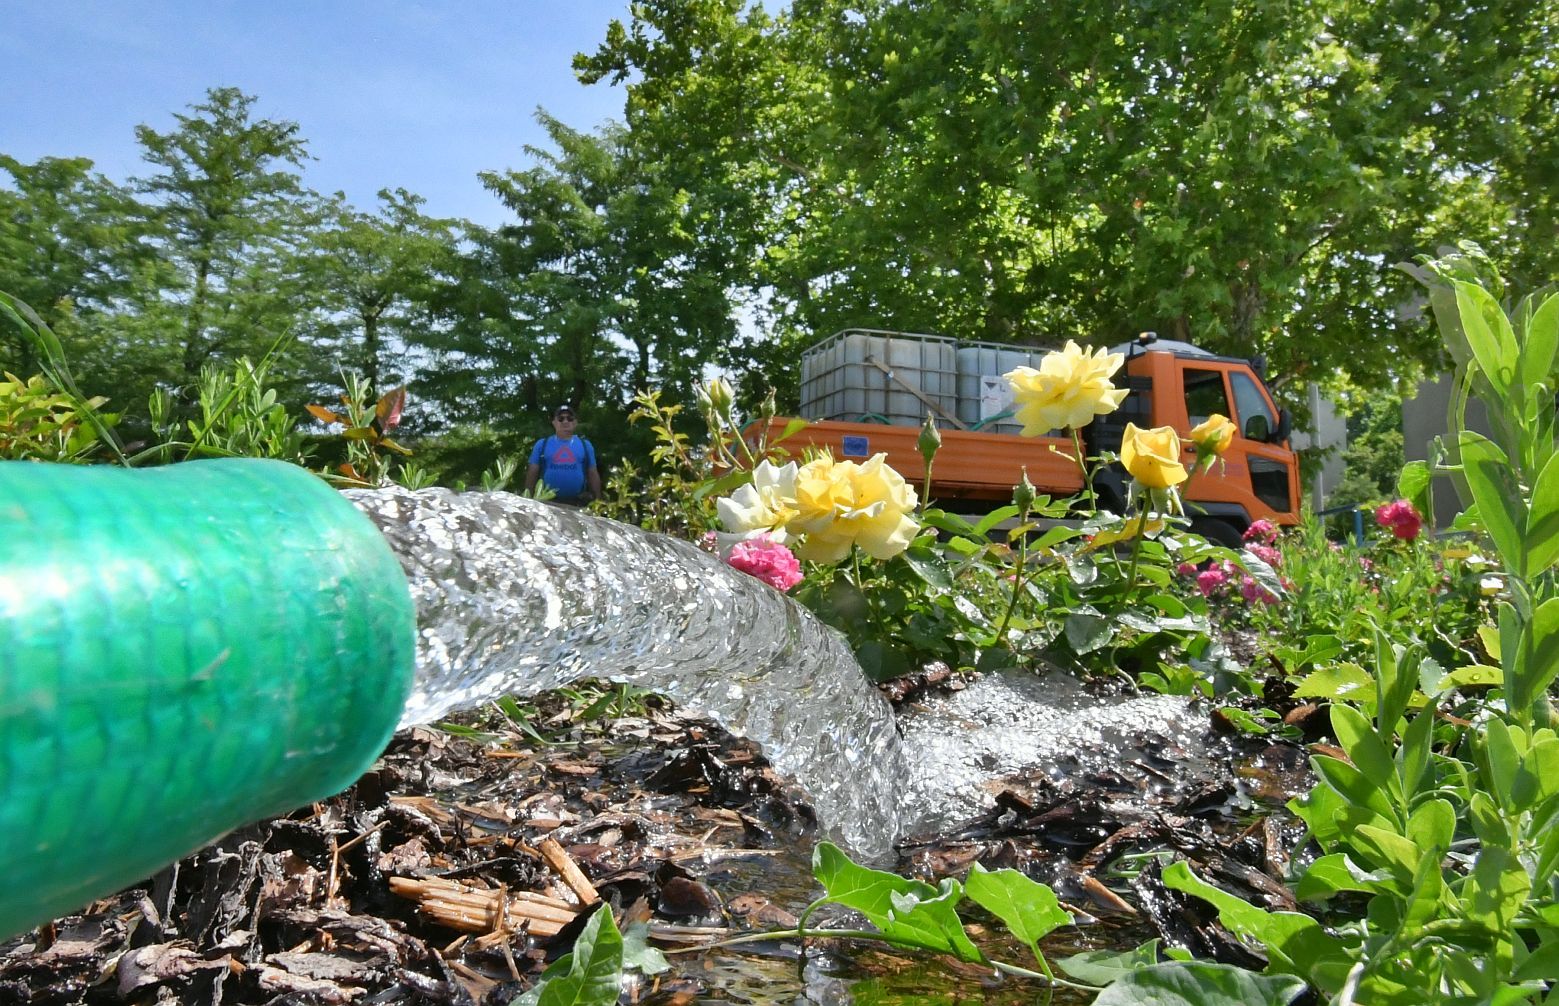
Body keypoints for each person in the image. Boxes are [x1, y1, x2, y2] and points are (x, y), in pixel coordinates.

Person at [524, 402, 602, 505]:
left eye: (569, 418)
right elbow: (532, 472)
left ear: (575, 422)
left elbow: (593, 473)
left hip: (578, 503)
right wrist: (527, 499)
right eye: (561, 418)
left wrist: (598, 502)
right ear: (554, 422)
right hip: (547, 502)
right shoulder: (542, 444)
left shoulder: (585, 445)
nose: (565, 421)